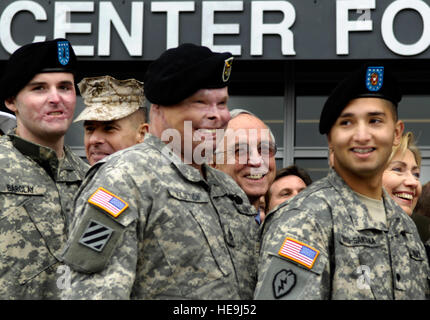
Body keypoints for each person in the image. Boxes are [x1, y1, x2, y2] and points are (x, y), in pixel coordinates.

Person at [61, 43, 259, 299]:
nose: (217, 116)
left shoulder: (227, 188)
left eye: (222, 104)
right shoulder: (123, 178)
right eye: (200, 103)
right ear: (160, 110)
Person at [254, 63, 430, 299]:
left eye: (375, 120)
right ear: (331, 139)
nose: (362, 135)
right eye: (346, 123)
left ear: (396, 133)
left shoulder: (405, 227)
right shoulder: (305, 218)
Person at [0, 39, 89, 299]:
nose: (56, 98)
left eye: (65, 87)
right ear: (11, 101)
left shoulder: (92, 178)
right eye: (39, 88)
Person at [214, 108, 276, 224]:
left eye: (264, 149)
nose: (256, 161)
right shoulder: (192, 224)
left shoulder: (284, 229)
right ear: (213, 163)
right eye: (241, 151)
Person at [74, 75, 148, 165]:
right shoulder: (77, 177)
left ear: (141, 134)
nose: (93, 140)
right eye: (90, 129)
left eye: (109, 128)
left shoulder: (160, 177)